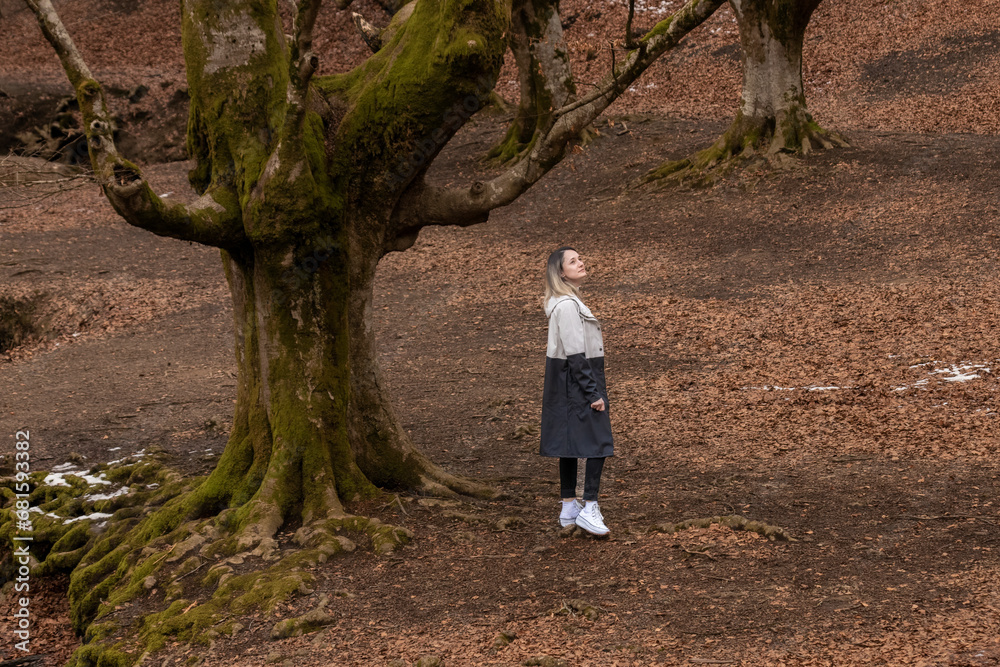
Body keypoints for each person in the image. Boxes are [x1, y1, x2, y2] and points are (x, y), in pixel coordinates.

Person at [540, 246, 614, 536]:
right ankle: (590, 507)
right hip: (577, 380)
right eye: (573, 261)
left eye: (580, 258)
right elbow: (575, 354)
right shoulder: (568, 306)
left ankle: (569, 505)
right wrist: (592, 393)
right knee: (599, 441)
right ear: (561, 272)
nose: (581, 263)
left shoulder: (564, 302)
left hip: (565, 381)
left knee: (569, 443)